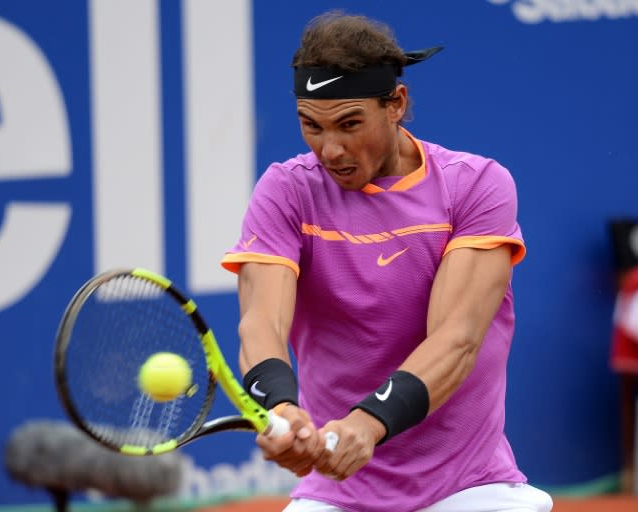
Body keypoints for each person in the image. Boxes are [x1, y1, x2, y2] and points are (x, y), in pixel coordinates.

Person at [220, 10, 553, 512]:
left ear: (395, 103)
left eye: (349, 124)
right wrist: (282, 409)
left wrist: (368, 423)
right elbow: (261, 322)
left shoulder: (476, 186)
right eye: (310, 126)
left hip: (469, 487)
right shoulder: (286, 192)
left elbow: (456, 339)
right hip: (337, 492)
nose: (330, 149)